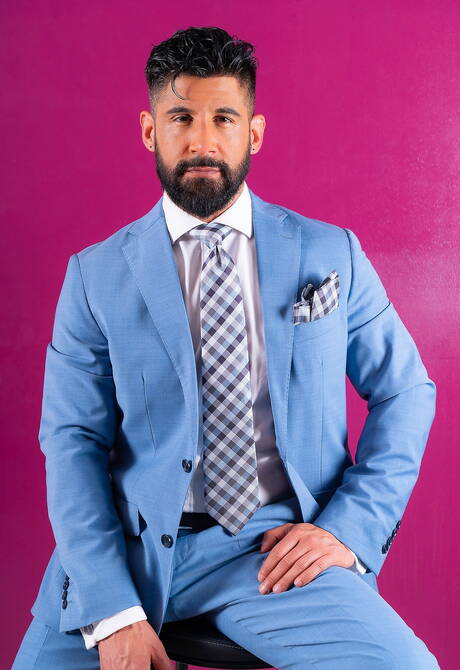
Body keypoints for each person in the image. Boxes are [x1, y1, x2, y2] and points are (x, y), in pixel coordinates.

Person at [11, 25, 440, 670]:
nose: (203, 142)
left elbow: (406, 391)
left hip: (273, 552)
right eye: (181, 118)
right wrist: (116, 613)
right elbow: (72, 441)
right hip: (128, 550)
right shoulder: (95, 276)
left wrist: (349, 528)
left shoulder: (331, 253)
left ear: (255, 133)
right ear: (150, 130)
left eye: (224, 119)